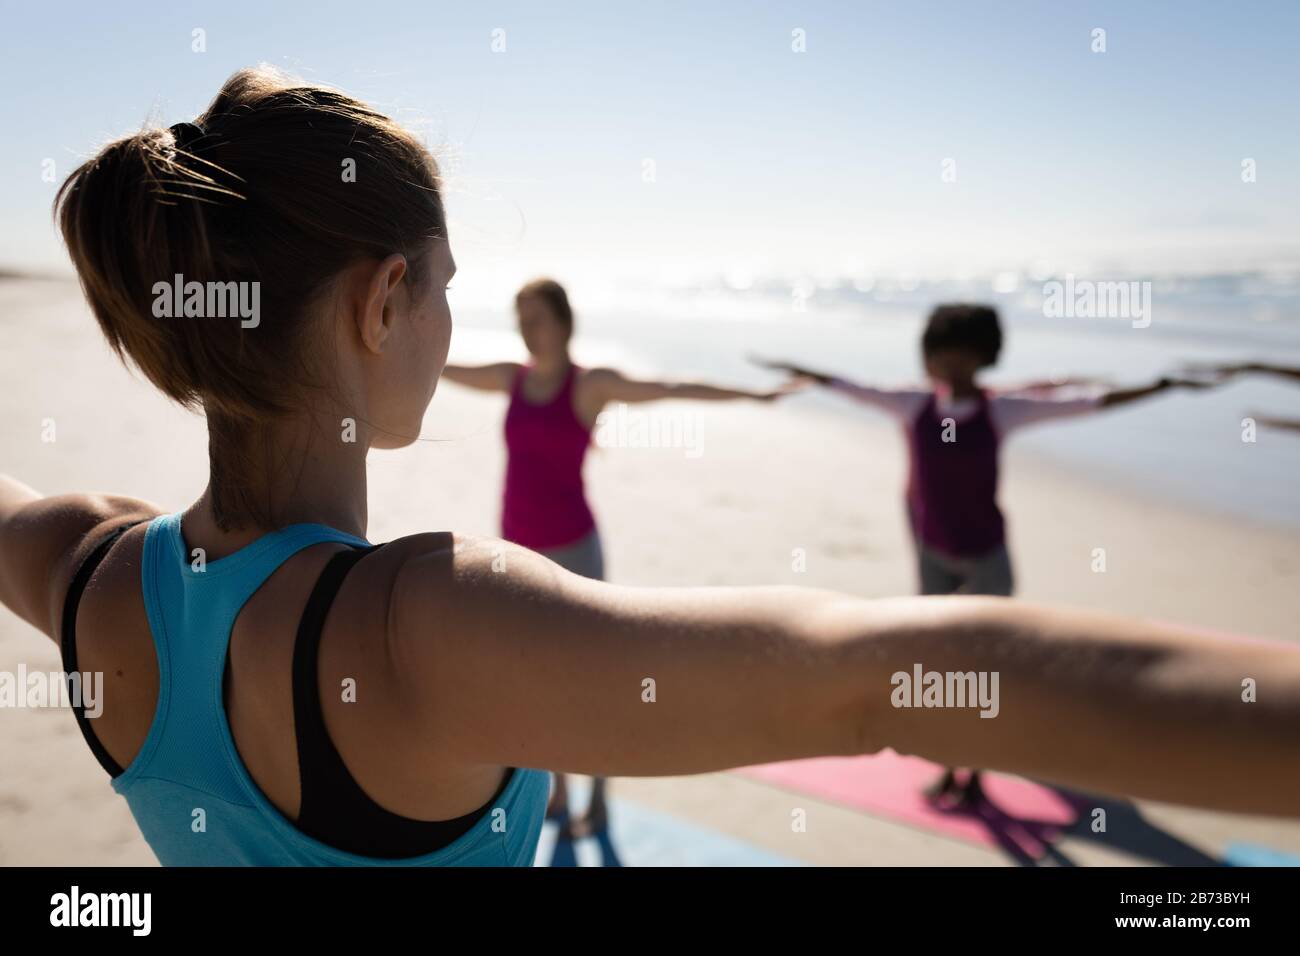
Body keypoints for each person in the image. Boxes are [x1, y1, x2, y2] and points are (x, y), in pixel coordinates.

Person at [3, 70, 1297, 869]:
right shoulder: (420, 628)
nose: (456, 324)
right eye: (447, 287)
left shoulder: (88, 567)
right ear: (384, 299)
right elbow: (873, 681)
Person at [757, 304, 1213, 808]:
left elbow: (1090, 402)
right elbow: (852, 386)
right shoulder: (913, 405)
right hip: (933, 557)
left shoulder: (1004, 410)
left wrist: (1161, 386)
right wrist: (801, 372)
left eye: (949, 354)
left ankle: (971, 771)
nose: (938, 364)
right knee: (938, 667)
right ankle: (952, 762)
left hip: (987, 563)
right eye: (932, 354)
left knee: (978, 671)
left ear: (981, 357)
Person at [442, 278, 799, 840]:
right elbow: (440, 365)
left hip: (574, 551)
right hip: (516, 552)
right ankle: (557, 788)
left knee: (595, 679)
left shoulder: (589, 386)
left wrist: (754, 395)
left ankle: (601, 798)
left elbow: (673, 387)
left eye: (535, 319)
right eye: (519, 320)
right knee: (537, 678)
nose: (526, 331)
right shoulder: (511, 377)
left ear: (562, 322)